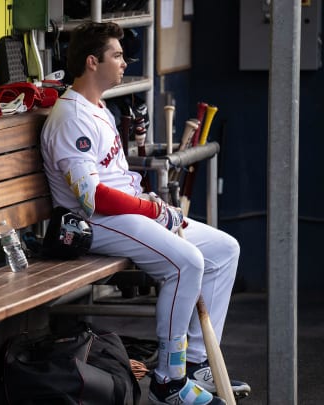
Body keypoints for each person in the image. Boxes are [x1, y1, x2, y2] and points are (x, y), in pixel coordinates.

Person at [40, 22, 251, 405]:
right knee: (186, 262)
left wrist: (151, 205)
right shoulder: (71, 117)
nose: (124, 62)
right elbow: (93, 198)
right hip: (92, 224)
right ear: (92, 62)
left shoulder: (97, 107)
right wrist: (150, 207)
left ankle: (197, 362)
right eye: (117, 55)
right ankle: (169, 381)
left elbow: (117, 184)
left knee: (224, 250)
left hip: (127, 215)